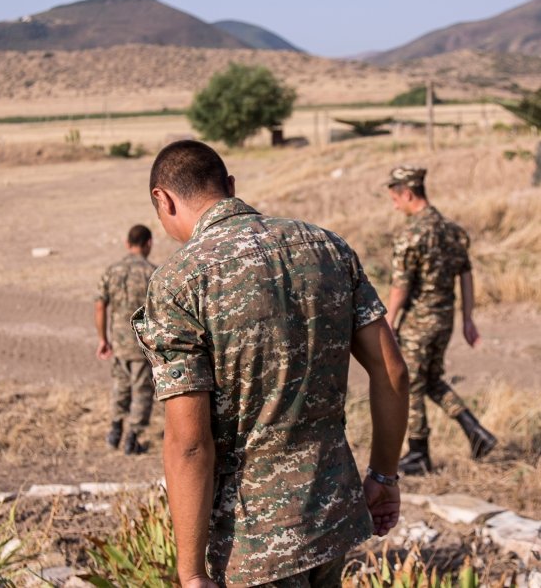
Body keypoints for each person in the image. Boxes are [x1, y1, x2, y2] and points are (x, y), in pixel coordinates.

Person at [132, 140, 409, 588]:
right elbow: (392, 370)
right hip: (331, 517)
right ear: (231, 186)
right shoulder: (327, 247)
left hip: (251, 546)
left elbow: (188, 443)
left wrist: (191, 573)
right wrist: (383, 474)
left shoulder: (179, 283)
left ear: (161, 200)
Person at [385, 165, 497, 475]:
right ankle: (476, 432)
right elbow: (466, 275)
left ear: (408, 194)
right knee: (432, 379)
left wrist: (388, 322)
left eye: (395, 198)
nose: (394, 205)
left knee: (410, 383)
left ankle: (419, 453)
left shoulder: (411, 234)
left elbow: (400, 286)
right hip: (444, 320)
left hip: (418, 323)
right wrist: (468, 319)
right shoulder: (451, 230)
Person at [95, 224, 156, 455]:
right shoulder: (153, 273)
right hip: (142, 344)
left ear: (127, 243)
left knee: (120, 386)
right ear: (149, 243)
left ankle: (114, 431)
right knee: (141, 391)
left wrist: (103, 338)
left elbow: (100, 305)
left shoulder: (112, 271)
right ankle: (133, 438)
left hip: (119, 344)